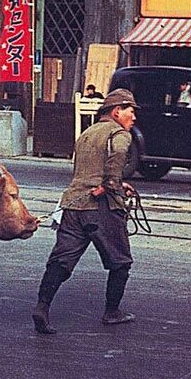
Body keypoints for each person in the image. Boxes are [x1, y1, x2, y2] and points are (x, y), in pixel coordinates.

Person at [32, 88, 138, 335]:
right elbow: (118, 157)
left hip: (73, 205)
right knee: (121, 262)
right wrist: (113, 184)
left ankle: (42, 307)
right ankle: (112, 312)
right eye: (130, 112)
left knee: (61, 260)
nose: (133, 118)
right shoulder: (120, 134)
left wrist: (112, 182)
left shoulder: (86, 134)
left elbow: (87, 171)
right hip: (101, 208)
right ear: (117, 112)